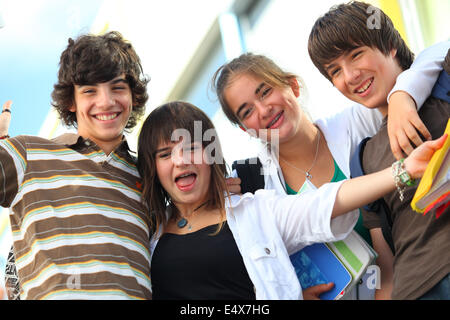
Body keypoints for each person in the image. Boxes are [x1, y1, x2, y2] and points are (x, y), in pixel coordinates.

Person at [137, 100, 446, 300]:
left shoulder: (254, 211)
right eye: (165, 154)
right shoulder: (145, 232)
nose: (180, 162)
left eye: (191, 149)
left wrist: (402, 171)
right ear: (154, 168)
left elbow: (326, 202)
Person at [211, 42, 443, 299]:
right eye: (247, 111)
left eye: (265, 92)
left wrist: (402, 96)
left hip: (417, 285)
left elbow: (439, 53)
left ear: (293, 86)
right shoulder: (251, 186)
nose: (264, 110)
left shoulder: (358, 124)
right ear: (245, 129)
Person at [307, 1, 450, 300]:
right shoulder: (363, 156)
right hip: (414, 289)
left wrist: (403, 93)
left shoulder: (444, 79)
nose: (350, 76)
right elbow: (386, 265)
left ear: (388, 44)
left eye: (356, 54)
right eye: (335, 71)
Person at [0, 31, 153, 299]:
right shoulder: (27, 155)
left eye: (117, 87)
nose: (106, 101)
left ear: (134, 96)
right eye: (89, 91)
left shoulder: (152, 177)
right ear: (70, 101)